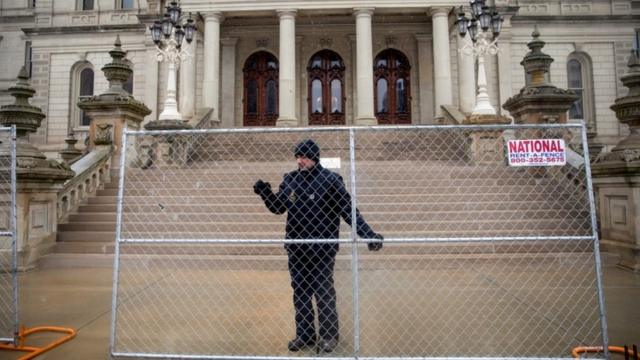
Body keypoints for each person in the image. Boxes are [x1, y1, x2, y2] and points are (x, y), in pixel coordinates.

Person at [253, 139, 383, 354]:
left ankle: (329, 336)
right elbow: (278, 208)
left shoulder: (330, 181)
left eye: (303, 157)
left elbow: (349, 211)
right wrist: (266, 193)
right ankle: (305, 335)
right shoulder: (291, 179)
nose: (299, 161)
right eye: (297, 157)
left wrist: (368, 234)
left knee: (323, 292)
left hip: (322, 249)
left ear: (314, 157)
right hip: (297, 248)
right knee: (301, 293)